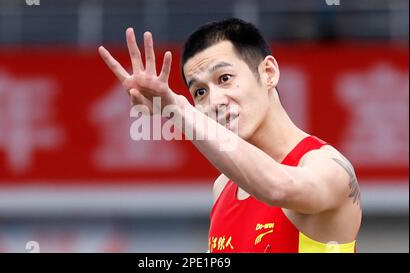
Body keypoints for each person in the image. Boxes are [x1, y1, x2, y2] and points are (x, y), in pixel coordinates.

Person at [98, 18, 362, 253]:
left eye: (224, 78)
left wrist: (177, 109)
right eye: (199, 92)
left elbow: (278, 187)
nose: (214, 100)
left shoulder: (328, 167)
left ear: (268, 72)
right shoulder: (223, 187)